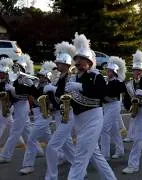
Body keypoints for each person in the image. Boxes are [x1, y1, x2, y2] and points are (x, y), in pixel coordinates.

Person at [66, 33, 116, 180]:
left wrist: (80, 87)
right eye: (77, 59)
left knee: (80, 156)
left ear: (89, 62)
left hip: (93, 117)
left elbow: (101, 93)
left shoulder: (96, 76)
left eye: (82, 59)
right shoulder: (73, 77)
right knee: (96, 155)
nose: (78, 62)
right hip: (78, 119)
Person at [0, 54, 44, 163]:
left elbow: (27, 94)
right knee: (27, 131)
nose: (15, 70)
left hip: (23, 106)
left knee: (15, 132)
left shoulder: (26, 79)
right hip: (17, 106)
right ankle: (38, 150)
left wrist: (13, 90)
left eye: (18, 68)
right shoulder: (14, 78)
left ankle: (6, 155)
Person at [44, 41, 76, 180]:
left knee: (52, 146)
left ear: (66, 65)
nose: (57, 65)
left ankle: (51, 176)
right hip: (59, 113)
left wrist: (53, 89)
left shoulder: (69, 76)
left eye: (60, 63)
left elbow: (66, 94)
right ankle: (80, 168)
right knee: (67, 145)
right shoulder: (60, 77)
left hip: (67, 114)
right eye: (57, 63)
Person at [19, 61, 58, 175]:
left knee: (31, 138)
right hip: (39, 114)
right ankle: (61, 156)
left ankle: (28, 165)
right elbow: (35, 95)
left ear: (47, 77)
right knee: (49, 139)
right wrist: (28, 85)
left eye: (42, 76)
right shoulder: (41, 85)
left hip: (46, 115)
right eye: (39, 76)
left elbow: (40, 96)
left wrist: (31, 86)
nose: (39, 78)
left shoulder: (49, 87)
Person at [100, 56, 126, 160]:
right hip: (107, 106)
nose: (107, 72)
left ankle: (105, 154)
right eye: (107, 70)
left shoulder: (117, 82)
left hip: (113, 105)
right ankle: (120, 150)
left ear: (114, 72)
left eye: (110, 71)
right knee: (114, 130)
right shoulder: (109, 81)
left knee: (104, 129)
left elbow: (113, 92)